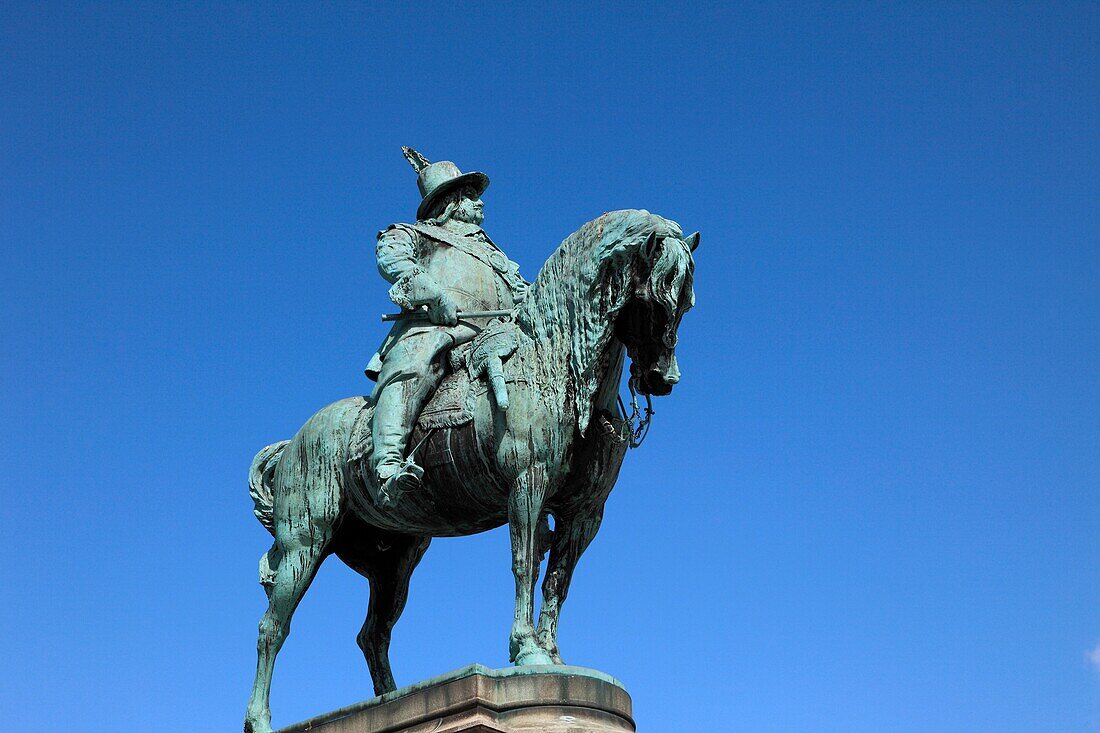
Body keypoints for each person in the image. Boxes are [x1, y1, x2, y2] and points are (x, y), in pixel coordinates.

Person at [365, 147, 529, 505]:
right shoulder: (416, 233)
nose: (481, 203)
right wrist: (432, 294)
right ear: (452, 203)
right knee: (413, 365)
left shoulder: (493, 252)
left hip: (493, 333)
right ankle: (388, 466)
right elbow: (391, 256)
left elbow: (521, 292)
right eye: (471, 196)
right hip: (438, 329)